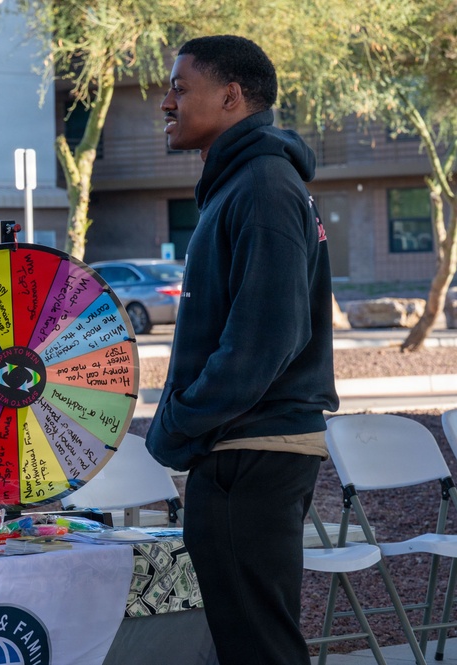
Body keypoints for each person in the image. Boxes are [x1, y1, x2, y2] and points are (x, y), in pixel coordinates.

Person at [144, 35, 339, 665]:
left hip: (250, 453)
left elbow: (263, 342)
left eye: (180, 87)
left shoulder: (262, 187)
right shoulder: (244, 184)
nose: (166, 102)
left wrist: (177, 424)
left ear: (231, 96)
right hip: (243, 451)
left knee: (259, 648)